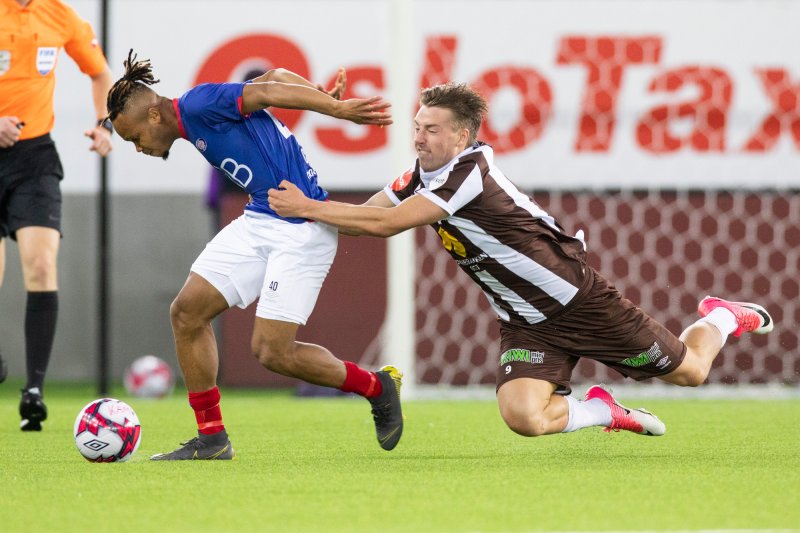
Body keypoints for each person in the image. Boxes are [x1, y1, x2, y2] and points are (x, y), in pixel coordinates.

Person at [268, 81, 774, 438]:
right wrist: (293, 214)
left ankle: (722, 316)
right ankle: (600, 410)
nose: (419, 137)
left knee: (690, 373)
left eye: (433, 130)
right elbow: (364, 214)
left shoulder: (470, 170)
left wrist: (306, 207)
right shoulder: (417, 175)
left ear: (462, 137)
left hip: (578, 302)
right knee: (523, 418)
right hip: (524, 320)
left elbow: (387, 225)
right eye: (418, 126)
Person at [106, 50, 403, 460]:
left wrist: (335, 109)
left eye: (133, 137)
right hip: (261, 216)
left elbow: (265, 89)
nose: (138, 148)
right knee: (187, 312)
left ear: (153, 116)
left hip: (302, 227)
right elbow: (276, 75)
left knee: (272, 353)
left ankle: (377, 387)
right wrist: (311, 90)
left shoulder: (196, 103)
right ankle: (211, 438)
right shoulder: (194, 120)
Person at [0, 0, 114, 431]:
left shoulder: (59, 15)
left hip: (35, 157)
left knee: (43, 264)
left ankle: (34, 390)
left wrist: (104, 125)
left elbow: (100, 71)